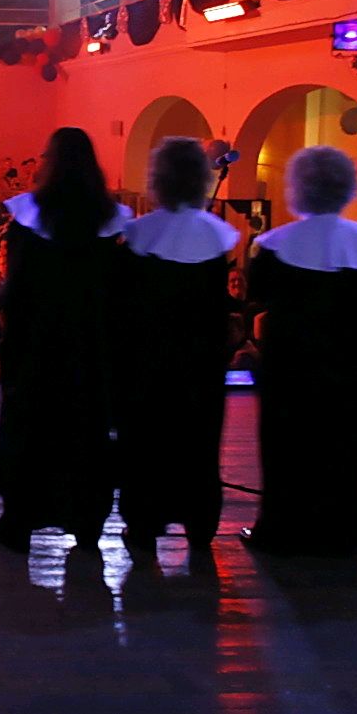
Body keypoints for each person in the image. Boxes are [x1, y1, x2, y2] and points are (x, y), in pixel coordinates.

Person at [0, 127, 131, 554]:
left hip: (37, 345)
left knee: (31, 428)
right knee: (86, 431)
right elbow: (117, 291)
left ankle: (20, 522)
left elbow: (16, 288)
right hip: (90, 347)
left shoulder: (29, 217)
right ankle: (87, 522)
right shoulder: (110, 220)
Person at [240, 146, 357, 557]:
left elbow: (258, 294)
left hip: (291, 359)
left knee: (287, 446)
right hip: (348, 358)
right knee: (343, 445)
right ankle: (340, 534)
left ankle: (281, 530)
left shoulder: (274, 244)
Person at [116, 138, 240, 558]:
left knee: (146, 444)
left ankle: (143, 525)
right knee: (199, 444)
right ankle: (200, 524)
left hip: (147, 362)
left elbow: (123, 305)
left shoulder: (139, 236)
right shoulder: (214, 239)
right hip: (200, 363)